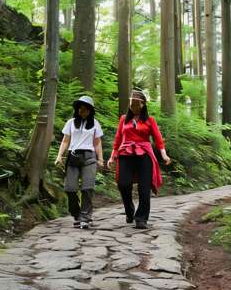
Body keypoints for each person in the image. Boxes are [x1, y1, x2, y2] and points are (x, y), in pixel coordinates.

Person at [107, 90, 171, 229]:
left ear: (143, 104)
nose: (134, 107)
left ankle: (141, 218)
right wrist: (113, 156)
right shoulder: (124, 119)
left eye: (137, 104)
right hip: (126, 153)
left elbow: (158, 139)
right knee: (123, 184)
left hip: (144, 155)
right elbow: (118, 138)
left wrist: (164, 154)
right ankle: (129, 209)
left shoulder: (150, 120)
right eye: (132, 104)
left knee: (144, 187)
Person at [55, 95, 104, 229]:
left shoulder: (95, 123)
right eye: (81, 109)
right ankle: (76, 214)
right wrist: (59, 156)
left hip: (89, 157)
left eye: (86, 109)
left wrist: (100, 159)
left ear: (90, 111)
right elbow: (65, 140)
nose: (83, 111)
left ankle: (85, 217)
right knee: (70, 189)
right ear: (77, 109)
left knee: (87, 188)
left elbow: (97, 142)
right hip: (73, 157)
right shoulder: (70, 122)